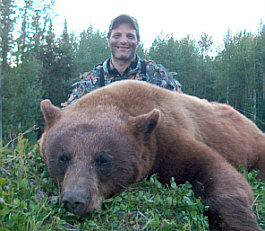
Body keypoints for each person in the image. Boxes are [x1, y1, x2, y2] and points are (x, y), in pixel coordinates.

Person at [61, 14, 182, 107]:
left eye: (129, 36)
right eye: (117, 35)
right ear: (108, 41)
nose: (123, 41)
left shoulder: (158, 75)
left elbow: (182, 112)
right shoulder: (90, 81)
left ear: (138, 42)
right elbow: (68, 117)